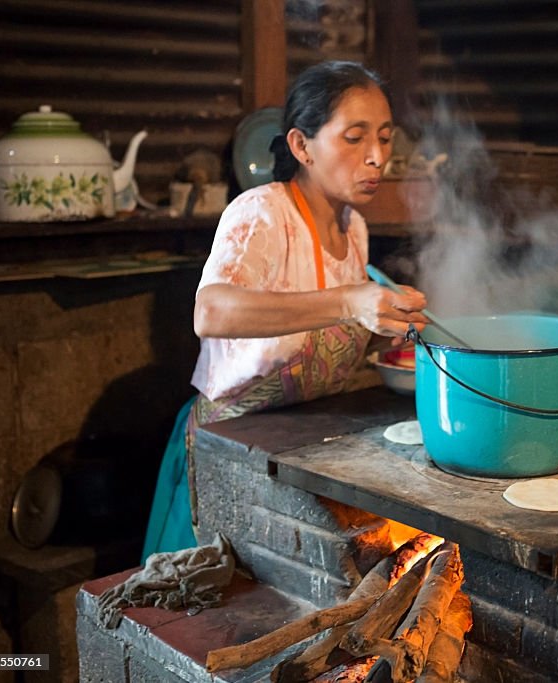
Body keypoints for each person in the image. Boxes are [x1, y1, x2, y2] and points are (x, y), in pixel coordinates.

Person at [142, 61, 428, 561]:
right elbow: (210, 313)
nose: (378, 157)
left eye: (385, 138)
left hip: (298, 445)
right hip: (228, 447)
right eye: (355, 138)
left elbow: (331, 325)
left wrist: (388, 322)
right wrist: (350, 300)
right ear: (301, 146)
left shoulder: (354, 228)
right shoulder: (263, 213)